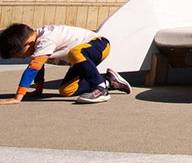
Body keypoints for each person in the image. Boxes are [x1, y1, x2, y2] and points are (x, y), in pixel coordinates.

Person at [0, 23, 131, 104]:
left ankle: (101, 89)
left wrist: (17, 97)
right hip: (79, 59)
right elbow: (39, 67)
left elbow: (33, 68)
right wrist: (38, 90)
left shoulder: (46, 39)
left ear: (28, 43)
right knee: (67, 90)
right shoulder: (36, 41)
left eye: (20, 54)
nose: (23, 57)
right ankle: (109, 81)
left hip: (99, 44)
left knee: (75, 52)